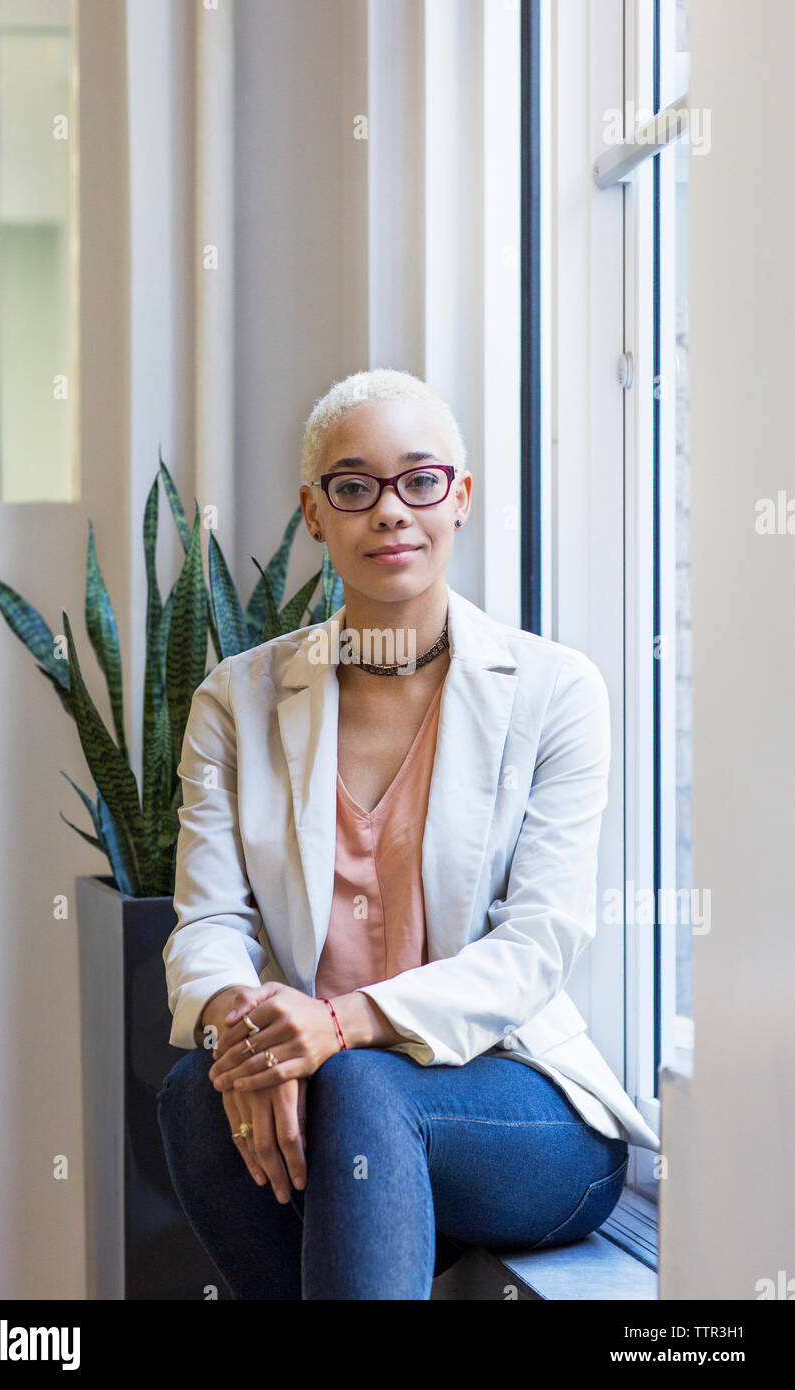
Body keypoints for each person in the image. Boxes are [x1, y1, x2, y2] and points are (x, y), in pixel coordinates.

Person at [156, 367, 660, 1301]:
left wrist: (338, 1027)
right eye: (355, 488)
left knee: (357, 1082)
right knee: (197, 1091)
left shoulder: (555, 692)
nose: (391, 512)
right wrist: (251, 1033)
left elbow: (540, 942)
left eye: (420, 481)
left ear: (458, 498)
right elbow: (207, 922)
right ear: (316, 513)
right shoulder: (236, 700)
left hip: (521, 1115)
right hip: (335, 1120)